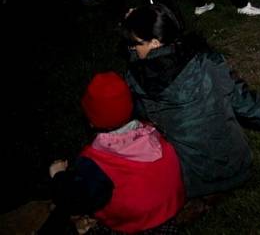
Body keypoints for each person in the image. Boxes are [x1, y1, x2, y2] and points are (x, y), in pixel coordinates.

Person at [122, 3, 260, 198]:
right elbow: (245, 103)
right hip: (234, 168)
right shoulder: (205, 63)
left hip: (190, 179)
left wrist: (132, 27)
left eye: (134, 43)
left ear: (155, 42)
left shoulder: (136, 80)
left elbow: (141, 71)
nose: (132, 48)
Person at [44, 72, 184, 233]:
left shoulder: (96, 162)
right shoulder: (153, 132)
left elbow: (73, 199)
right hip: (171, 205)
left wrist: (58, 175)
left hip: (138, 223)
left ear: (91, 121)